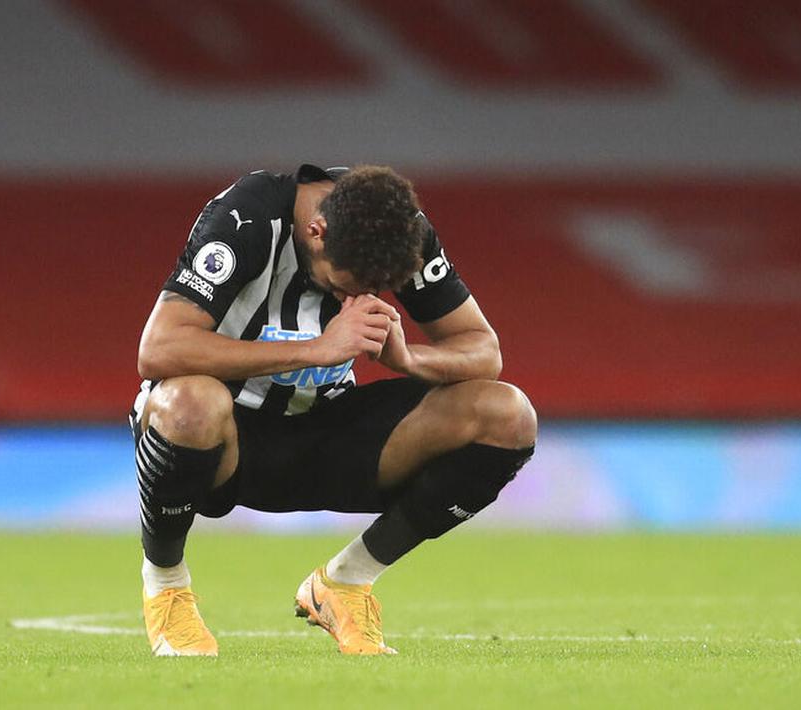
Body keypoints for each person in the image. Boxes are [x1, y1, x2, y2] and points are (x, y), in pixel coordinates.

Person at [130, 164, 536, 656]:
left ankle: (346, 583)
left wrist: (410, 359)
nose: (357, 297)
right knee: (188, 401)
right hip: (228, 438)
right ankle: (168, 588)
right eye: (346, 283)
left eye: (376, 288)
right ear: (315, 232)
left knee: (507, 414)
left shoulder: (397, 227)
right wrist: (315, 349)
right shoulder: (247, 219)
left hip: (329, 428)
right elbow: (158, 349)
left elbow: (482, 350)